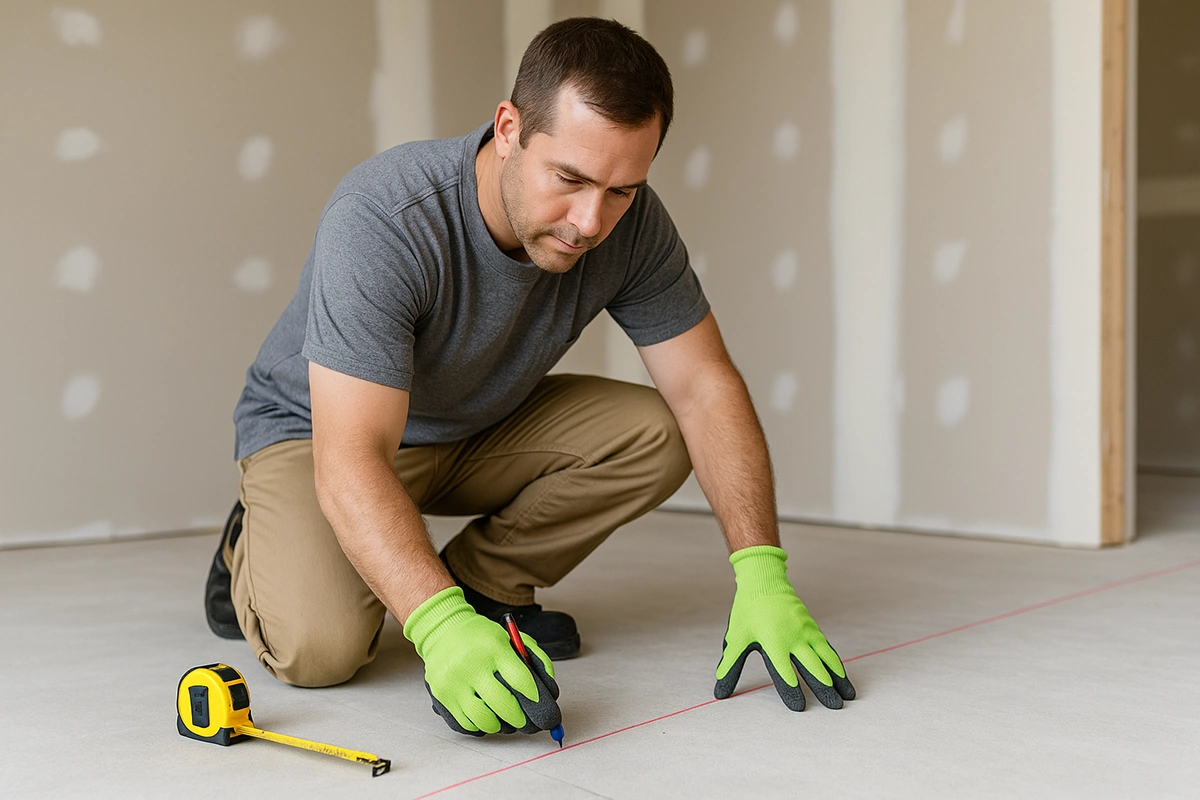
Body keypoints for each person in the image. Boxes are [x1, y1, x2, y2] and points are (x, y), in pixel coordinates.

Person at [206, 17, 855, 739]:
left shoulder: (630, 227)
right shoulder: (384, 217)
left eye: (622, 190)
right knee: (319, 651)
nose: (589, 221)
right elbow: (350, 454)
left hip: (477, 425)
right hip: (323, 437)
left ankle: (484, 588)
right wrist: (437, 626)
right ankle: (254, 541)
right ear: (509, 127)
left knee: (658, 431)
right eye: (569, 178)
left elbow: (705, 386)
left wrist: (761, 570)